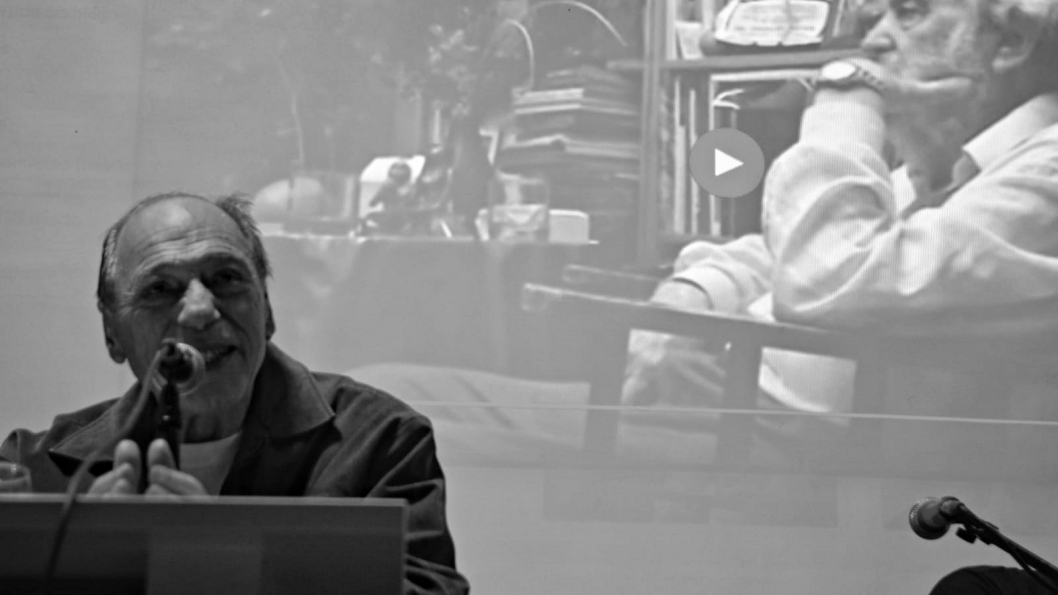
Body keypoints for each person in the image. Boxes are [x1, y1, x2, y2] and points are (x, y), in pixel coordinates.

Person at [349, 0, 1058, 497]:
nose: (873, 39)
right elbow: (771, 251)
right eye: (870, 19)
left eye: (910, 12)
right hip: (722, 402)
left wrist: (846, 103)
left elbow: (832, 275)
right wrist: (692, 296)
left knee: (369, 433)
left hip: (793, 450)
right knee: (371, 397)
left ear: (1010, 42)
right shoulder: (948, 170)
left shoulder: (1045, 175)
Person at [0, 192, 469, 595]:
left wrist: (214, 564)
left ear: (267, 311)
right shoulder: (34, 469)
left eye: (226, 278)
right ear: (112, 334)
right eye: (161, 288)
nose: (200, 311)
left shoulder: (380, 442)